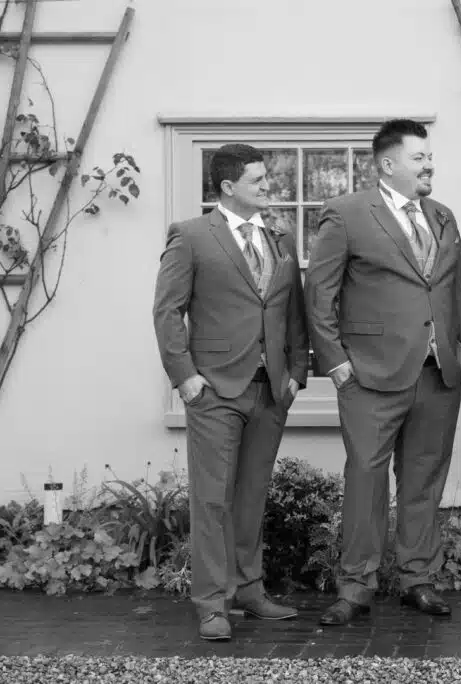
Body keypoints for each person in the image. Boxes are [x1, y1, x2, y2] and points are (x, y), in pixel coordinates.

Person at [304, 118, 461, 626]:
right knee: (366, 479)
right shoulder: (347, 213)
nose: (430, 164)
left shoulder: (443, 216)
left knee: (423, 480)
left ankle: (417, 579)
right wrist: (337, 365)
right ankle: (357, 585)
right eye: (420, 157)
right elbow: (320, 296)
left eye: (430, 157)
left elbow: (457, 290)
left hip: (437, 373)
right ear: (388, 163)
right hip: (368, 376)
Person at [152, 143, 309, 641]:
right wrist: (186, 378)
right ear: (227, 187)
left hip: (270, 389)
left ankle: (248, 589)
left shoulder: (279, 237)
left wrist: (297, 373)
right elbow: (167, 311)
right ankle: (211, 601)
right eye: (259, 180)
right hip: (214, 389)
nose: (268, 187)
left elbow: (293, 310)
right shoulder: (192, 237)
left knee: (251, 496)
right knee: (213, 500)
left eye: (267, 179)